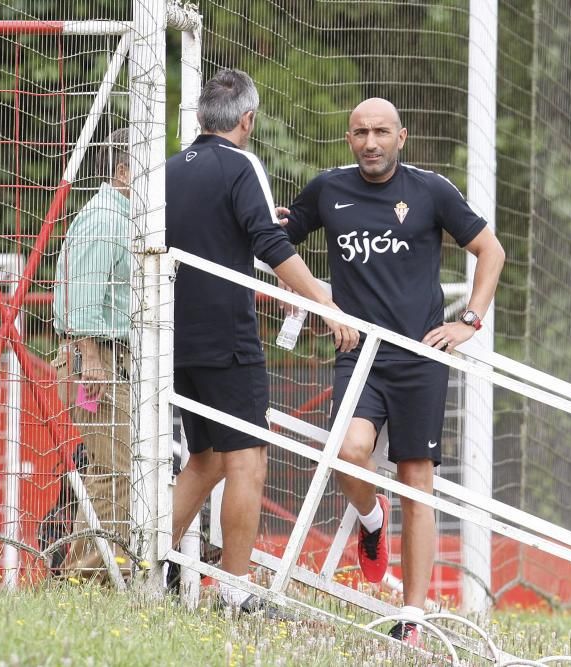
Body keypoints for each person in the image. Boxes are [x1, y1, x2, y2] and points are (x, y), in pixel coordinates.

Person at [279, 98, 505, 643]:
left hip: (421, 357)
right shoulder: (328, 189)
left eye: (381, 132)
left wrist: (469, 322)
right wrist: (305, 297)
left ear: (402, 137)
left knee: (417, 484)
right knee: (347, 450)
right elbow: (279, 240)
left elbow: (490, 250)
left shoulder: (431, 190)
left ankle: (414, 618)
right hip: (359, 354)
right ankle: (371, 519)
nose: (371, 142)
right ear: (349, 139)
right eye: (361, 133)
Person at [165, 69, 358, 615]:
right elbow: (270, 243)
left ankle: (142, 568)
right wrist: (324, 300)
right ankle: (237, 592)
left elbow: (206, 234)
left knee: (203, 461)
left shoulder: (169, 170)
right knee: (246, 461)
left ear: (202, 117)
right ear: (247, 121)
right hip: (228, 336)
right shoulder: (242, 164)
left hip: (176, 338)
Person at [51, 127, 138, 583]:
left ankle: (91, 576)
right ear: (123, 170)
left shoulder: (119, 216)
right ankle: (84, 580)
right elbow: (81, 296)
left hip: (106, 359)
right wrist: (92, 358)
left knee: (113, 474)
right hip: (97, 361)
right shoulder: (106, 218)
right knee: (115, 475)